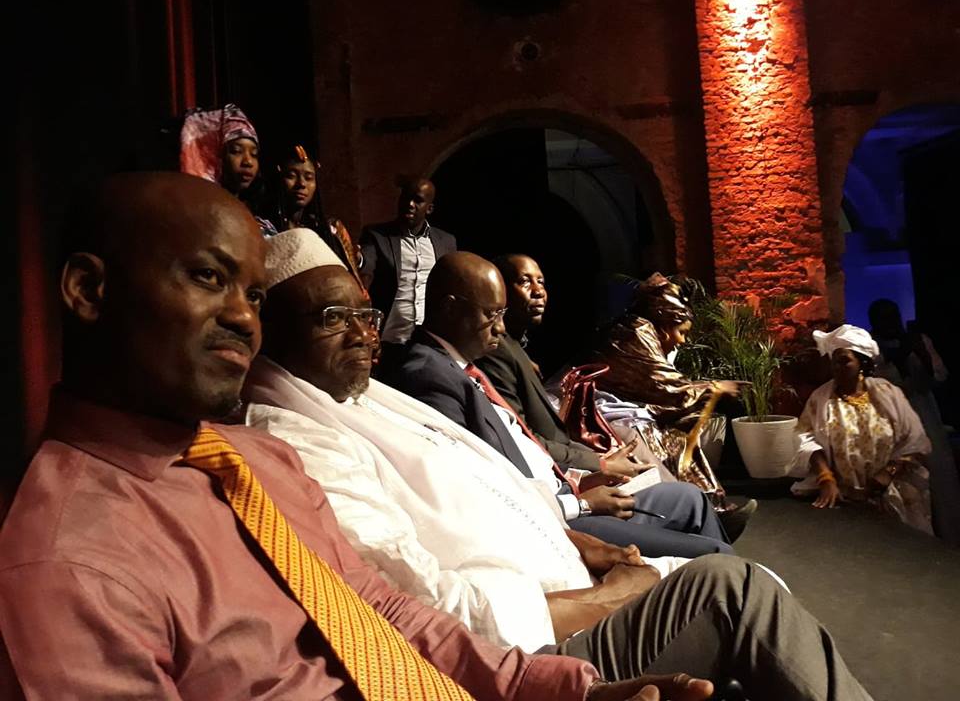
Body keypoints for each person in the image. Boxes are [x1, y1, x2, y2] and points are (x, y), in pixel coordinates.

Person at [0, 171, 703, 700]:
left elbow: (384, 610)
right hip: (531, 616)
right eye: (208, 277)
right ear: (89, 291)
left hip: (488, 667)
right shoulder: (69, 566)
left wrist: (554, 690)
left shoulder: (257, 459)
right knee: (726, 595)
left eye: (252, 295)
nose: (243, 319)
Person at [246, 229, 686, 652]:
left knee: (718, 561)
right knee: (719, 583)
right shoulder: (293, 446)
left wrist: (579, 543)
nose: (363, 336)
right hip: (542, 642)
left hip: (574, 568)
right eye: (334, 318)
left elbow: (487, 485)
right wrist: (612, 597)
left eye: (364, 316)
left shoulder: (364, 395)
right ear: (269, 327)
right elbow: (424, 608)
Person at [380, 252, 736, 558]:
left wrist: (582, 476)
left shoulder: (460, 365)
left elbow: (520, 443)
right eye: (491, 314)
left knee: (690, 498)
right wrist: (581, 501)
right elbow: (480, 486)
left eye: (502, 314)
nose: (500, 328)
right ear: (449, 308)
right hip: (555, 521)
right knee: (715, 555)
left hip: (566, 488)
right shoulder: (428, 375)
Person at [478, 255, 754, 543]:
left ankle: (708, 513)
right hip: (582, 444)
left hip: (577, 451)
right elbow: (663, 386)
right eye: (524, 281)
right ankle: (700, 528)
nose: (538, 291)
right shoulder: (635, 332)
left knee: (669, 455)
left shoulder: (515, 348)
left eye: (541, 282)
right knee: (649, 446)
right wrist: (600, 465)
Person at [591, 273, 748, 513]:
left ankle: (706, 507)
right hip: (600, 411)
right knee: (658, 437)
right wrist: (715, 388)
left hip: (623, 409)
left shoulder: (649, 334)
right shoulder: (635, 332)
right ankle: (690, 509)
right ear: (665, 325)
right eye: (681, 332)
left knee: (677, 436)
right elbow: (664, 386)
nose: (683, 341)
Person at [788, 325, 934, 535]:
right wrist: (825, 477)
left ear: (862, 363)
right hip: (843, 499)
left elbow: (915, 440)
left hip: (889, 495)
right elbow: (806, 437)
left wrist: (888, 472)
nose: (837, 367)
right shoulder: (822, 399)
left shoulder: (888, 394)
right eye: (834, 361)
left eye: (844, 361)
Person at [868, 298, 960, 544]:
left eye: (893, 316)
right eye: (883, 317)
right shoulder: (871, 347)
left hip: (924, 414)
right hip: (890, 419)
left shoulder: (917, 342)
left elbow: (939, 377)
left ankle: (948, 538)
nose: (890, 322)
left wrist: (917, 352)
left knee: (939, 477)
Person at [360, 176, 456, 346]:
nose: (410, 204)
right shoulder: (377, 235)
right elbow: (366, 264)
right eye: (406, 198)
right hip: (389, 338)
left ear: (429, 208)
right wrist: (357, 259)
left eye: (417, 200)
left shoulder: (446, 242)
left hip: (429, 340)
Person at [271, 143, 365, 291]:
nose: (301, 184)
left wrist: (356, 257)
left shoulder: (330, 229)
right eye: (291, 176)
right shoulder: (265, 227)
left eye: (309, 178)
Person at [180, 103, 278, 236]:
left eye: (254, 154)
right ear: (213, 156)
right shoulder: (201, 217)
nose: (248, 162)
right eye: (236, 151)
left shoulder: (259, 221)